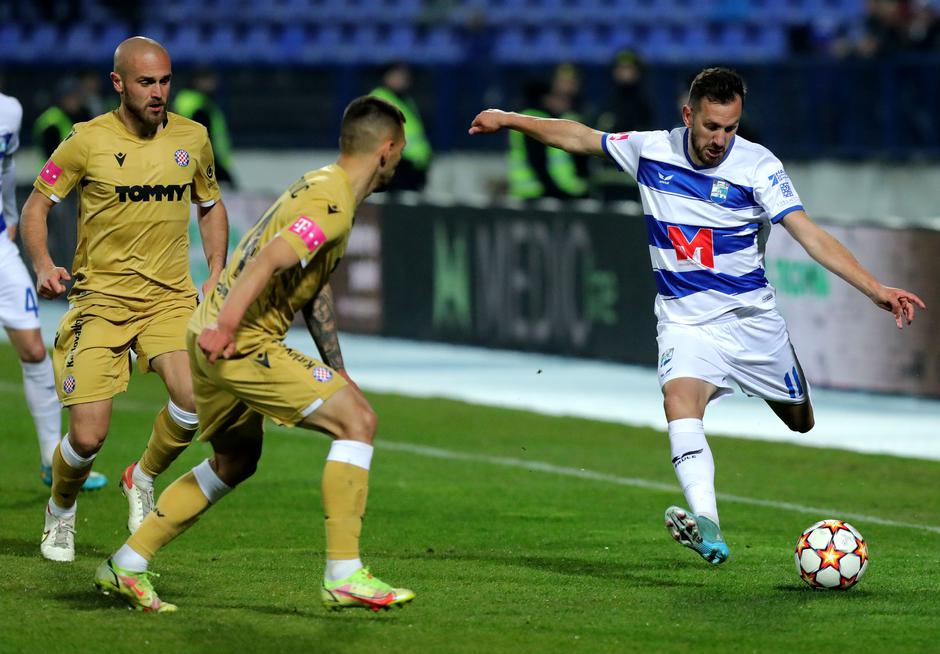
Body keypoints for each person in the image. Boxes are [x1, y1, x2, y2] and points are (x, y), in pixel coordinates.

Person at [469, 67, 925, 565]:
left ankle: (782, 376)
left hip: (753, 321)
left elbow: (807, 234)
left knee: (801, 422)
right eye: (711, 127)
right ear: (689, 115)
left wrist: (874, 288)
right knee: (678, 398)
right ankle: (707, 523)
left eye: (730, 128)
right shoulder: (650, 150)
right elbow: (579, 138)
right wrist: (509, 119)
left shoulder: (757, 165)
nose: (720, 140)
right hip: (685, 322)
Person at [94, 95, 415, 613]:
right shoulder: (331, 204)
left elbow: (311, 288)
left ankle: (125, 565)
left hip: (211, 336)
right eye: (401, 150)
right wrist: (227, 328)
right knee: (358, 423)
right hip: (238, 341)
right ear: (387, 148)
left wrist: (339, 371)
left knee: (234, 461)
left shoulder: (323, 186)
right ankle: (344, 573)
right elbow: (270, 258)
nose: (402, 159)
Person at [20, 36, 229, 563]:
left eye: (164, 81)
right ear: (118, 83)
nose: (158, 92)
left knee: (193, 402)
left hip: (168, 299)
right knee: (88, 439)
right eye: (145, 82)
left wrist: (217, 272)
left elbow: (210, 204)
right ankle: (61, 510)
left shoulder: (193, 138)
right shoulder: (86, 141)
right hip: (101, 302)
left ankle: (143, 476)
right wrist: (45, 266)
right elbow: (35, 208)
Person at [0, 91, 106, 491]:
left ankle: (50, 457)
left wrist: (10, 217)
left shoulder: (9, 110)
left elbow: (6, 169)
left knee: (34, 349)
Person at [507, 80, 588, 201]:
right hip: (538, 191)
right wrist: (554, 190)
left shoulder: (521, 117)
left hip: (523, 189)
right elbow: (538, 160)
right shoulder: (536, 120)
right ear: (544, 98)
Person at [370, 62, 430, 193]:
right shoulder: (380, 98)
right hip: (398, 166)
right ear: (387, 77)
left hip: (414, 166)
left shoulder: (405, 99)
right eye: (398, 74)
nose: (403, 78)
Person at [171, 67, 237, 187]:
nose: (214, 84)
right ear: (198, 81)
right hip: (204, 168)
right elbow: (204, 142)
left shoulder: (185, 100)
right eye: (210, 80)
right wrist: (220, 172)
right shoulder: (199, 105)